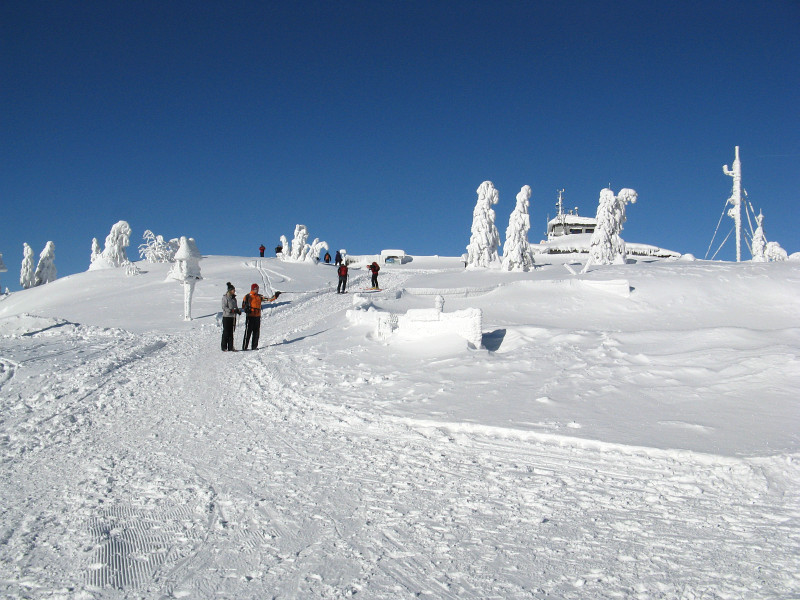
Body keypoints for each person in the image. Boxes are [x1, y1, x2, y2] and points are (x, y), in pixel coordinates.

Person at [241, 283, 265, 350]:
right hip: (250, 316)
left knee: (256, 332)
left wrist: (275, 296)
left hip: (257, 316)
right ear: (253, 289)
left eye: (258, 288)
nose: (257, 290)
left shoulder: (259, 296)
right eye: (256, 288)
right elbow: (243, 305)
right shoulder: (248, 296)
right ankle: (245, 347)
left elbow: (268, 299)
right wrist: (246, 309)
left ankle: (254, 346)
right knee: (248, 332)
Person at [221, 282, 240, 351]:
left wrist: (237, 311)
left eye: (234, 290)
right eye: (233, 290)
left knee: (231, 332)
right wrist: (231, 310)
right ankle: (224, 347)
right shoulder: (225, 297)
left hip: (233, 317)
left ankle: (231, 347)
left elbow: (235, 306)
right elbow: (224, 307)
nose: (234, 291)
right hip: (226, 317)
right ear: (229, 290)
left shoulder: (234, 298)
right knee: (226, 332)